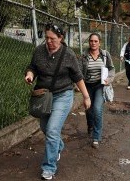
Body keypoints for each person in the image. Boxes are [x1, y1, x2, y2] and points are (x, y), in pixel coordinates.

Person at [24, 24, 91, 180]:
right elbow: (32, 66)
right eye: (46, 37)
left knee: (53, 130)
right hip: (44, 96)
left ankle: (49, 168)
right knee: (45, 127)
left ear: (60, 38)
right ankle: (58, 146)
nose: (48, 41)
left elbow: (78, 77)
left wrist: (86, 97)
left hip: (63, 95)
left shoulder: (68, 54)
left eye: (52, 38)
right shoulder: (39, 50)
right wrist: (30, 75)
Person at [78, 33, 115, 149]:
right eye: (91, 41)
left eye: (95, 41)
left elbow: (111, 68)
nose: (93, 43)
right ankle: (90, 125)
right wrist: (77, 85)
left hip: (100, 86)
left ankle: (96, 137)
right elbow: (79, 72)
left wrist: (109, 79)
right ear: (89, 42)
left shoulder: (105, 55)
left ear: (100, 42)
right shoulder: (84, 56)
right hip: (87, 86)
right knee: (89, 110)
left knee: (97, 109)